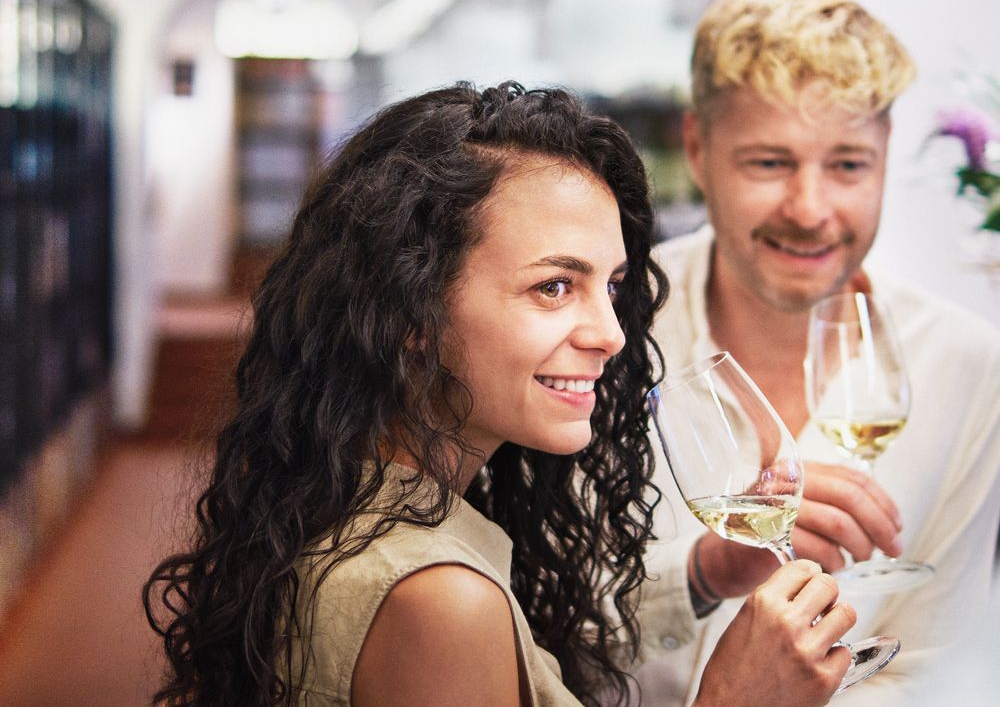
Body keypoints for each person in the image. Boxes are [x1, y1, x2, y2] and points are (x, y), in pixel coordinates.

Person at [144, 81, 856, 707]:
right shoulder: (439, 599)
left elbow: (526, 653)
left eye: (610, 287)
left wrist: (705, 570)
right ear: (410, 311)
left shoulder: (351, 500)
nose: (611, 334)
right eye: (554, 287)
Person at [634, 0, 1000, 706]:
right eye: (769, 163)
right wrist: (701, 574)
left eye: (848, 165)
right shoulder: (609, 331)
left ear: (886, 157)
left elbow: (935, 667)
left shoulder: (967, 364)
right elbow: (542, 626)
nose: (809, 211)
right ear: (699, 151)